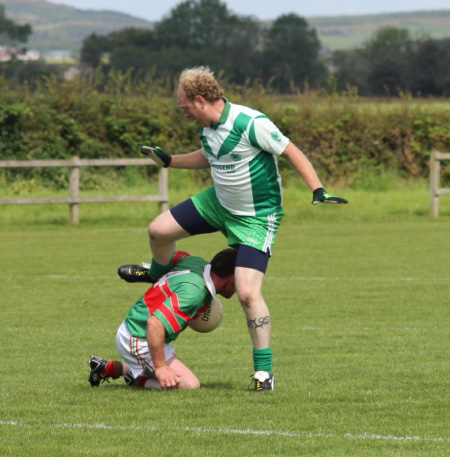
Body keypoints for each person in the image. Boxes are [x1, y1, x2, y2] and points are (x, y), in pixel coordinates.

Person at [119, 66, 348, 392]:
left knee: (246, 292)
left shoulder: (250, 122)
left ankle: (263, 374)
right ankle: (158, 274)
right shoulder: (207, 126)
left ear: (200, 100)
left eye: (184, 107)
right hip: (219, 204)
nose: (183, 113)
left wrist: (318, 189)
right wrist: (170, 161)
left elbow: (291, 151)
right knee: (158, 230)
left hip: (256, 217)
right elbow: (209, 157)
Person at [89, 248, 237, 390]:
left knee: (173, 369)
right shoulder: (194, 294)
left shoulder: (196, 262)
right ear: (232, 278)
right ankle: (136, 380)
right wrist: (161, 367)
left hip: (139, 329)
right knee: (189, 384)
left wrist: (153, 272)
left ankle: (108, 369)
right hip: (139, 338)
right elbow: (155, 323)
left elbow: (170, 255)